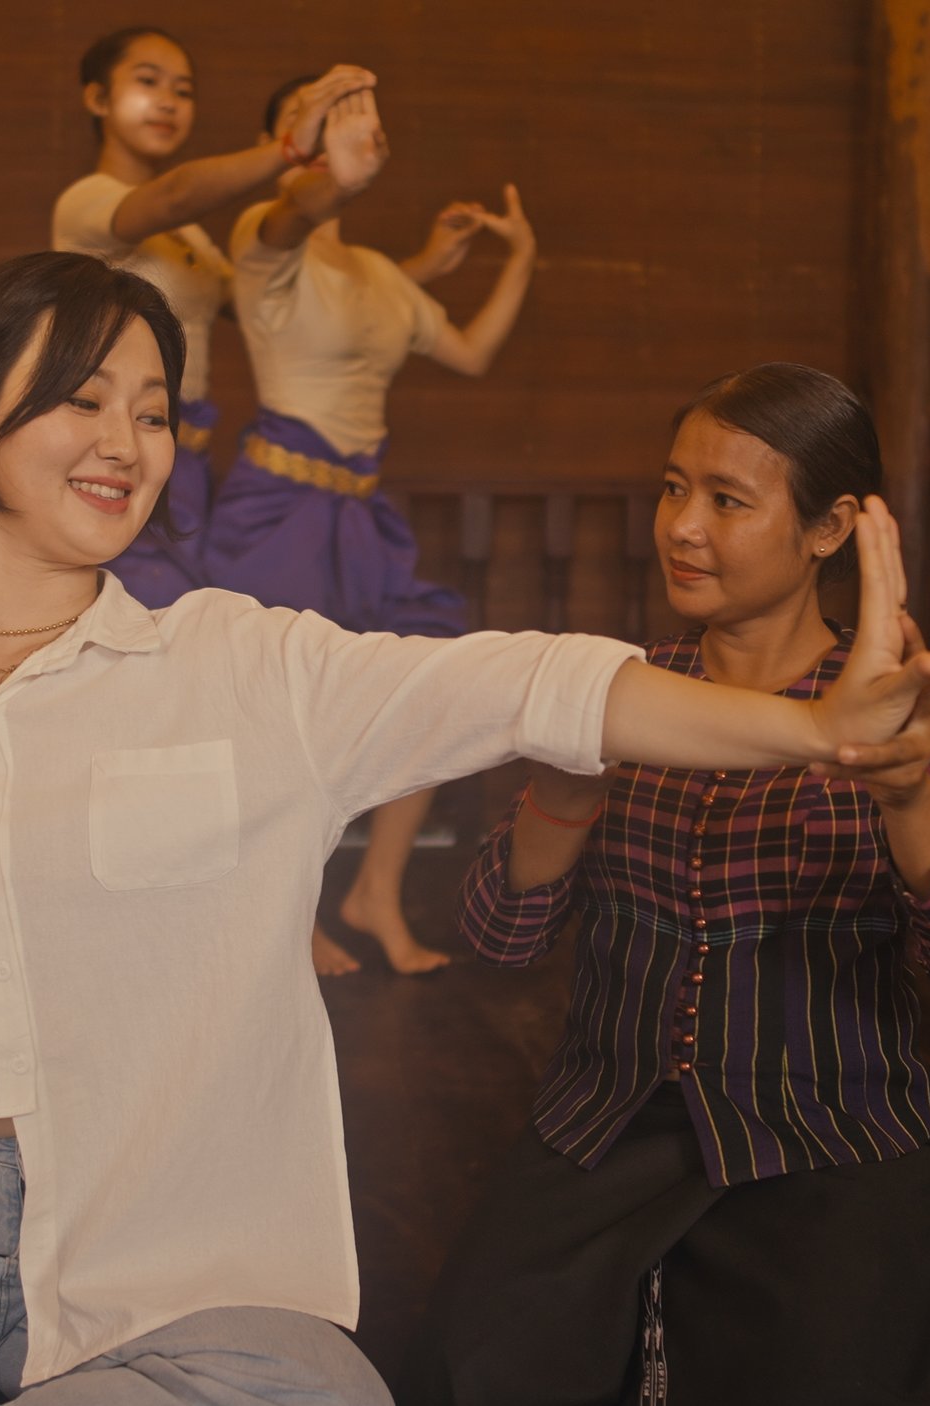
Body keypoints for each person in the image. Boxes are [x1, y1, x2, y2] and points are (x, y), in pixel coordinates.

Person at [0, 258, 930, 1406]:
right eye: (82, 396)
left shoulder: (248, 667)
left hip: (182, 1221)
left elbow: (534, 682)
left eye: (155, 410)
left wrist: (817, 728)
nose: (127, 440)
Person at [427, 364, 930, 1405]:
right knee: (470, 1366)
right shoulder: (626, 692)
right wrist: (565, 789)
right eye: (674, 488)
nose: (682, 526)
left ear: (828, 527)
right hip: (607, 1121)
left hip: (832, 1132)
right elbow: (496, 937)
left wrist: (907, 795)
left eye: (727, 500)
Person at [200, 83, 535, 977]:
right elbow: (297, 213)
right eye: (324, 128)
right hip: (278, 509)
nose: (348, 138)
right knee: (283, 711)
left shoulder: (383, 275)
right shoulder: (263, 240)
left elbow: (471, 353)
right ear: (287, 142)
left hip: (362, 512)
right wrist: (333, 176)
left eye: (356, 125)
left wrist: (521, 258)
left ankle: (375, 891)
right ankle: (290, 911)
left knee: (423, 689)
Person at [48, 29, 372, 608]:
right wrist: (288, 149)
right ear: (97, 98)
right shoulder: (87, 200)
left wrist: (335, 190)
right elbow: (173, 194)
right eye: (148, 82)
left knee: (181, 625)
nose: (168, 102)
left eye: (183, 91)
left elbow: (261, 301)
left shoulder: (189, 233)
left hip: (182, 459)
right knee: (131, 616)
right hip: (111, 450)